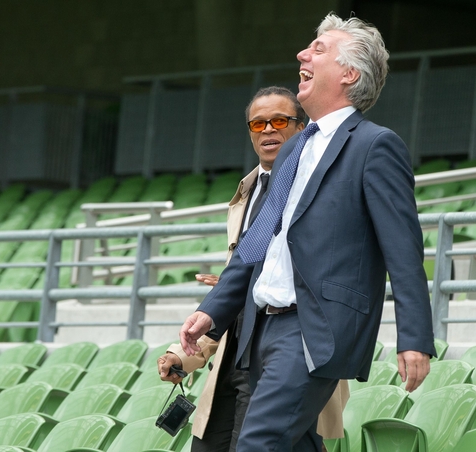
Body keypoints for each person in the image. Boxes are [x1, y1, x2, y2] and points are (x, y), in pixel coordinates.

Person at [179, 13, 435, 452]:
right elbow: (259, 238)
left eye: (318, 49)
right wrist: (214, 311)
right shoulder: (296, 144)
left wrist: (415, 338)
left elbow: (403, 249)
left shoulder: (375, 145)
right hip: (261, 328)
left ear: (349, 73)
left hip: (313, 331)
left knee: (257, 443)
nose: (302, 53)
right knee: (294, 444)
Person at [157, 86, 348, 452]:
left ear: (302, 126)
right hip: (236, 352)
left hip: (288, 347)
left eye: (279, 121)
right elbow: (235, 282)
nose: (267, 131)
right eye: (257, 124)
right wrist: (182, 355)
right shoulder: (245, 192)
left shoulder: (319, 186)